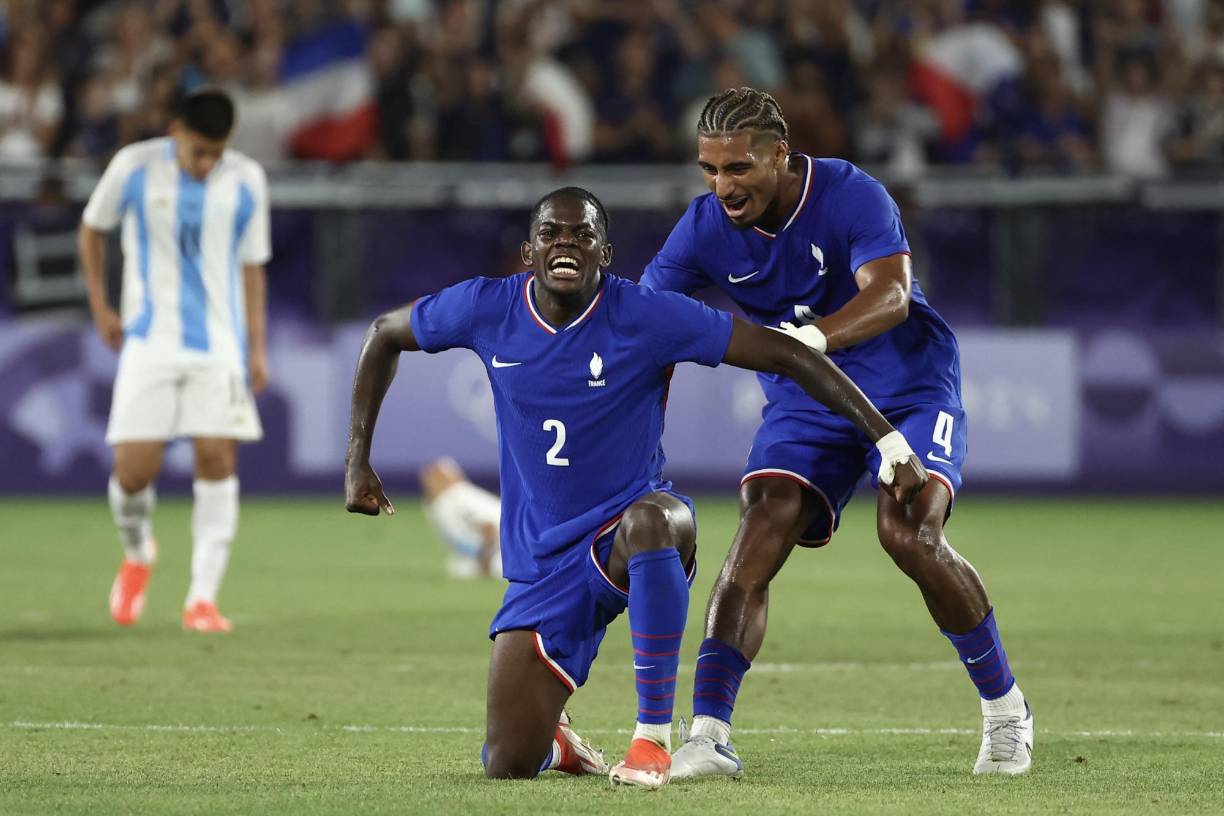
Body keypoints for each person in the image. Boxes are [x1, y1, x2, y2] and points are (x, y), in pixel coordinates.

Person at [343, 187, 925, 789]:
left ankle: (652, 740)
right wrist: (357, 461)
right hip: (544, 568)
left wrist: (888, 440)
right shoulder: (485, 307)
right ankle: (556, 743)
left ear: (605, 253)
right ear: (528, 252)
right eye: (550, 234)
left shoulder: (648, 314)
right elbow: (384, 333)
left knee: (654, 518)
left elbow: (783, 354)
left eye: (581, 234)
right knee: (506, 764)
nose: (565, 243)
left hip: (633, 536)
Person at [640, 87, 1034, 777]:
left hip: (910, 385)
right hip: (807, 404)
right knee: (761, 525)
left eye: (739, 169)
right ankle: (707, 734)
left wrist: (813, 337)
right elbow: (646, 319)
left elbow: (890, 294)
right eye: (710, 170)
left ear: (780, 155)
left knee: (908, 530)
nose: (722, 186)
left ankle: (1006, 712)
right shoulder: (705, 228)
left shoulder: (852, 194)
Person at [79, 89, 271, 633]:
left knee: (217, 459)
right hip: (149, 343)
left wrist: (257, 347)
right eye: (198, 152)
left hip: (218, 347)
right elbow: (92, 228)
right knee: (133, 474)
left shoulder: (246, 179)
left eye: (217, 152)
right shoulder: (134, 166)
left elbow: (253, 268)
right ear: (174, 131)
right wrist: (101, 305)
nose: (207, 164)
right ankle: (139, 553)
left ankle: (202, 600)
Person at [419, 457, 502, 579]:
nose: (430, 481)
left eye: (437, 475)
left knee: (496, 569)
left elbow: (489, 527)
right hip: (487, 551)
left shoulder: (459, 495)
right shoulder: (441, 503)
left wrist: (485, 558)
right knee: (456, 568)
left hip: (505, 548)